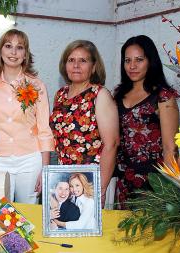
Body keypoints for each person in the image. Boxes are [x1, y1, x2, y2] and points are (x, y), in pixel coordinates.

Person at [0, 29, 54, 204]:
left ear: (25, 54)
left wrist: (45, 169)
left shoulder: (37, 85)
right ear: (0, 51)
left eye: (20, 47)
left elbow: (44, 130)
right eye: (8, 46)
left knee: (28, 213)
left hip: (30, 161)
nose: (13, 52)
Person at [49, 40, 119, 206]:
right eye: (71, 60)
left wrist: (100, 189)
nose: (76, 65)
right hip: (66, 181)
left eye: (83, 60)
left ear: (94, 67)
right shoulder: (60, 95)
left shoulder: (100, 95)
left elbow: (112, 144)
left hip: (92, 182)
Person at [113, 35, 179, 209]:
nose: (132, 66)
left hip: (154, 182)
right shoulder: (118, 94)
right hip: (124, 180)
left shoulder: (163, 96)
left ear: (150, 61)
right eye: (127, 60)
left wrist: (169, 189)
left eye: (139, 60)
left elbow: (170, 147)